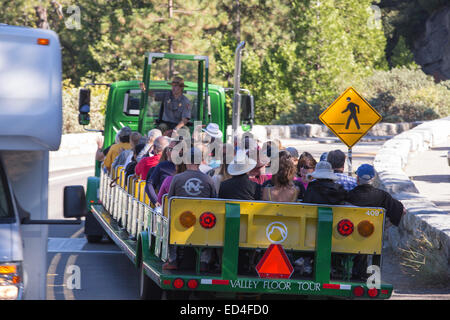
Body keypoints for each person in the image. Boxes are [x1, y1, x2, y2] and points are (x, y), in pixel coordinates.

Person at [163, 147, 217, 271]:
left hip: (180, 220)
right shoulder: (208, 180)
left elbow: (171, 199)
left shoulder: (177, 178)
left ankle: (173, 260)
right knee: (212, 226)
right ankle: (204, 261)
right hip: (202, 223)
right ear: (200, 161)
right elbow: (214, 201)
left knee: (168, 223)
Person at [145, 140, 179, 206]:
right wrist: (156, 201)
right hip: (164, 205)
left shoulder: (187, 167)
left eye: (171, 149)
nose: (167, 152)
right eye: (168, 149)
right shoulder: (162, 166)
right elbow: (149, 184)